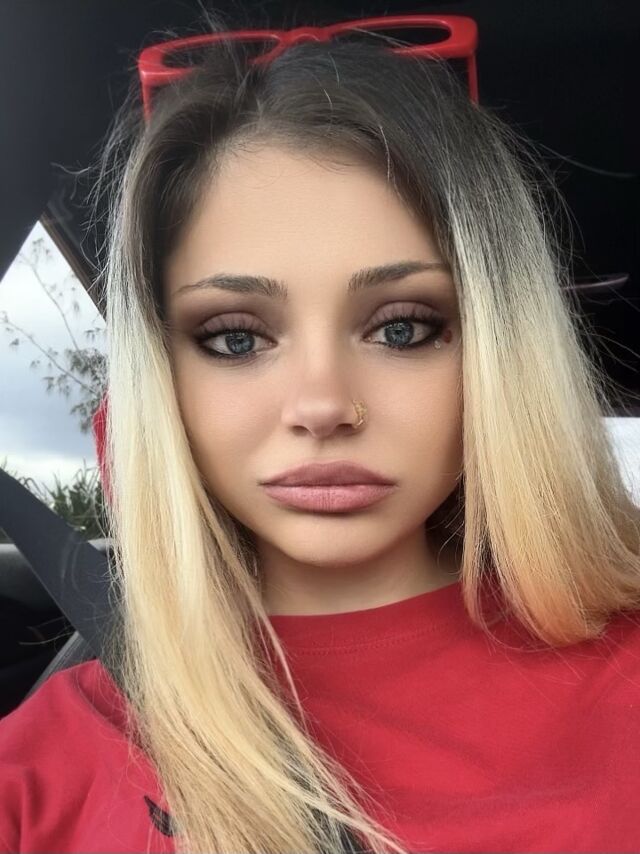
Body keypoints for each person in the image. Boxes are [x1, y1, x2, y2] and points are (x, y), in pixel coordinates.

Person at [2, 8, 640, 854]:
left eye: (403, 328)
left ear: (501, 358)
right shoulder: (45, 757)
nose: (323, 404)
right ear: (158, 384)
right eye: (235, 338)